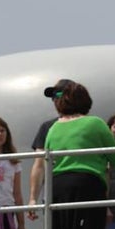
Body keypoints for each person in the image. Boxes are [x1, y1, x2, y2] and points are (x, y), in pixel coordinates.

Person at [43, 81, 115, 229]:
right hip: (88, 183)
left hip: (58, 186)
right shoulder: (95, 124)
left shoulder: (54, 128)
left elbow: (48, 157)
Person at [27, 78, 73, 217]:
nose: (55, 100)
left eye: (59, 95)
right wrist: (33, 199)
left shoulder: (90, 125)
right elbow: (39, 164)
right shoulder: (47, 127)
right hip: (54, 194)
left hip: (82, 193)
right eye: (54, 97)